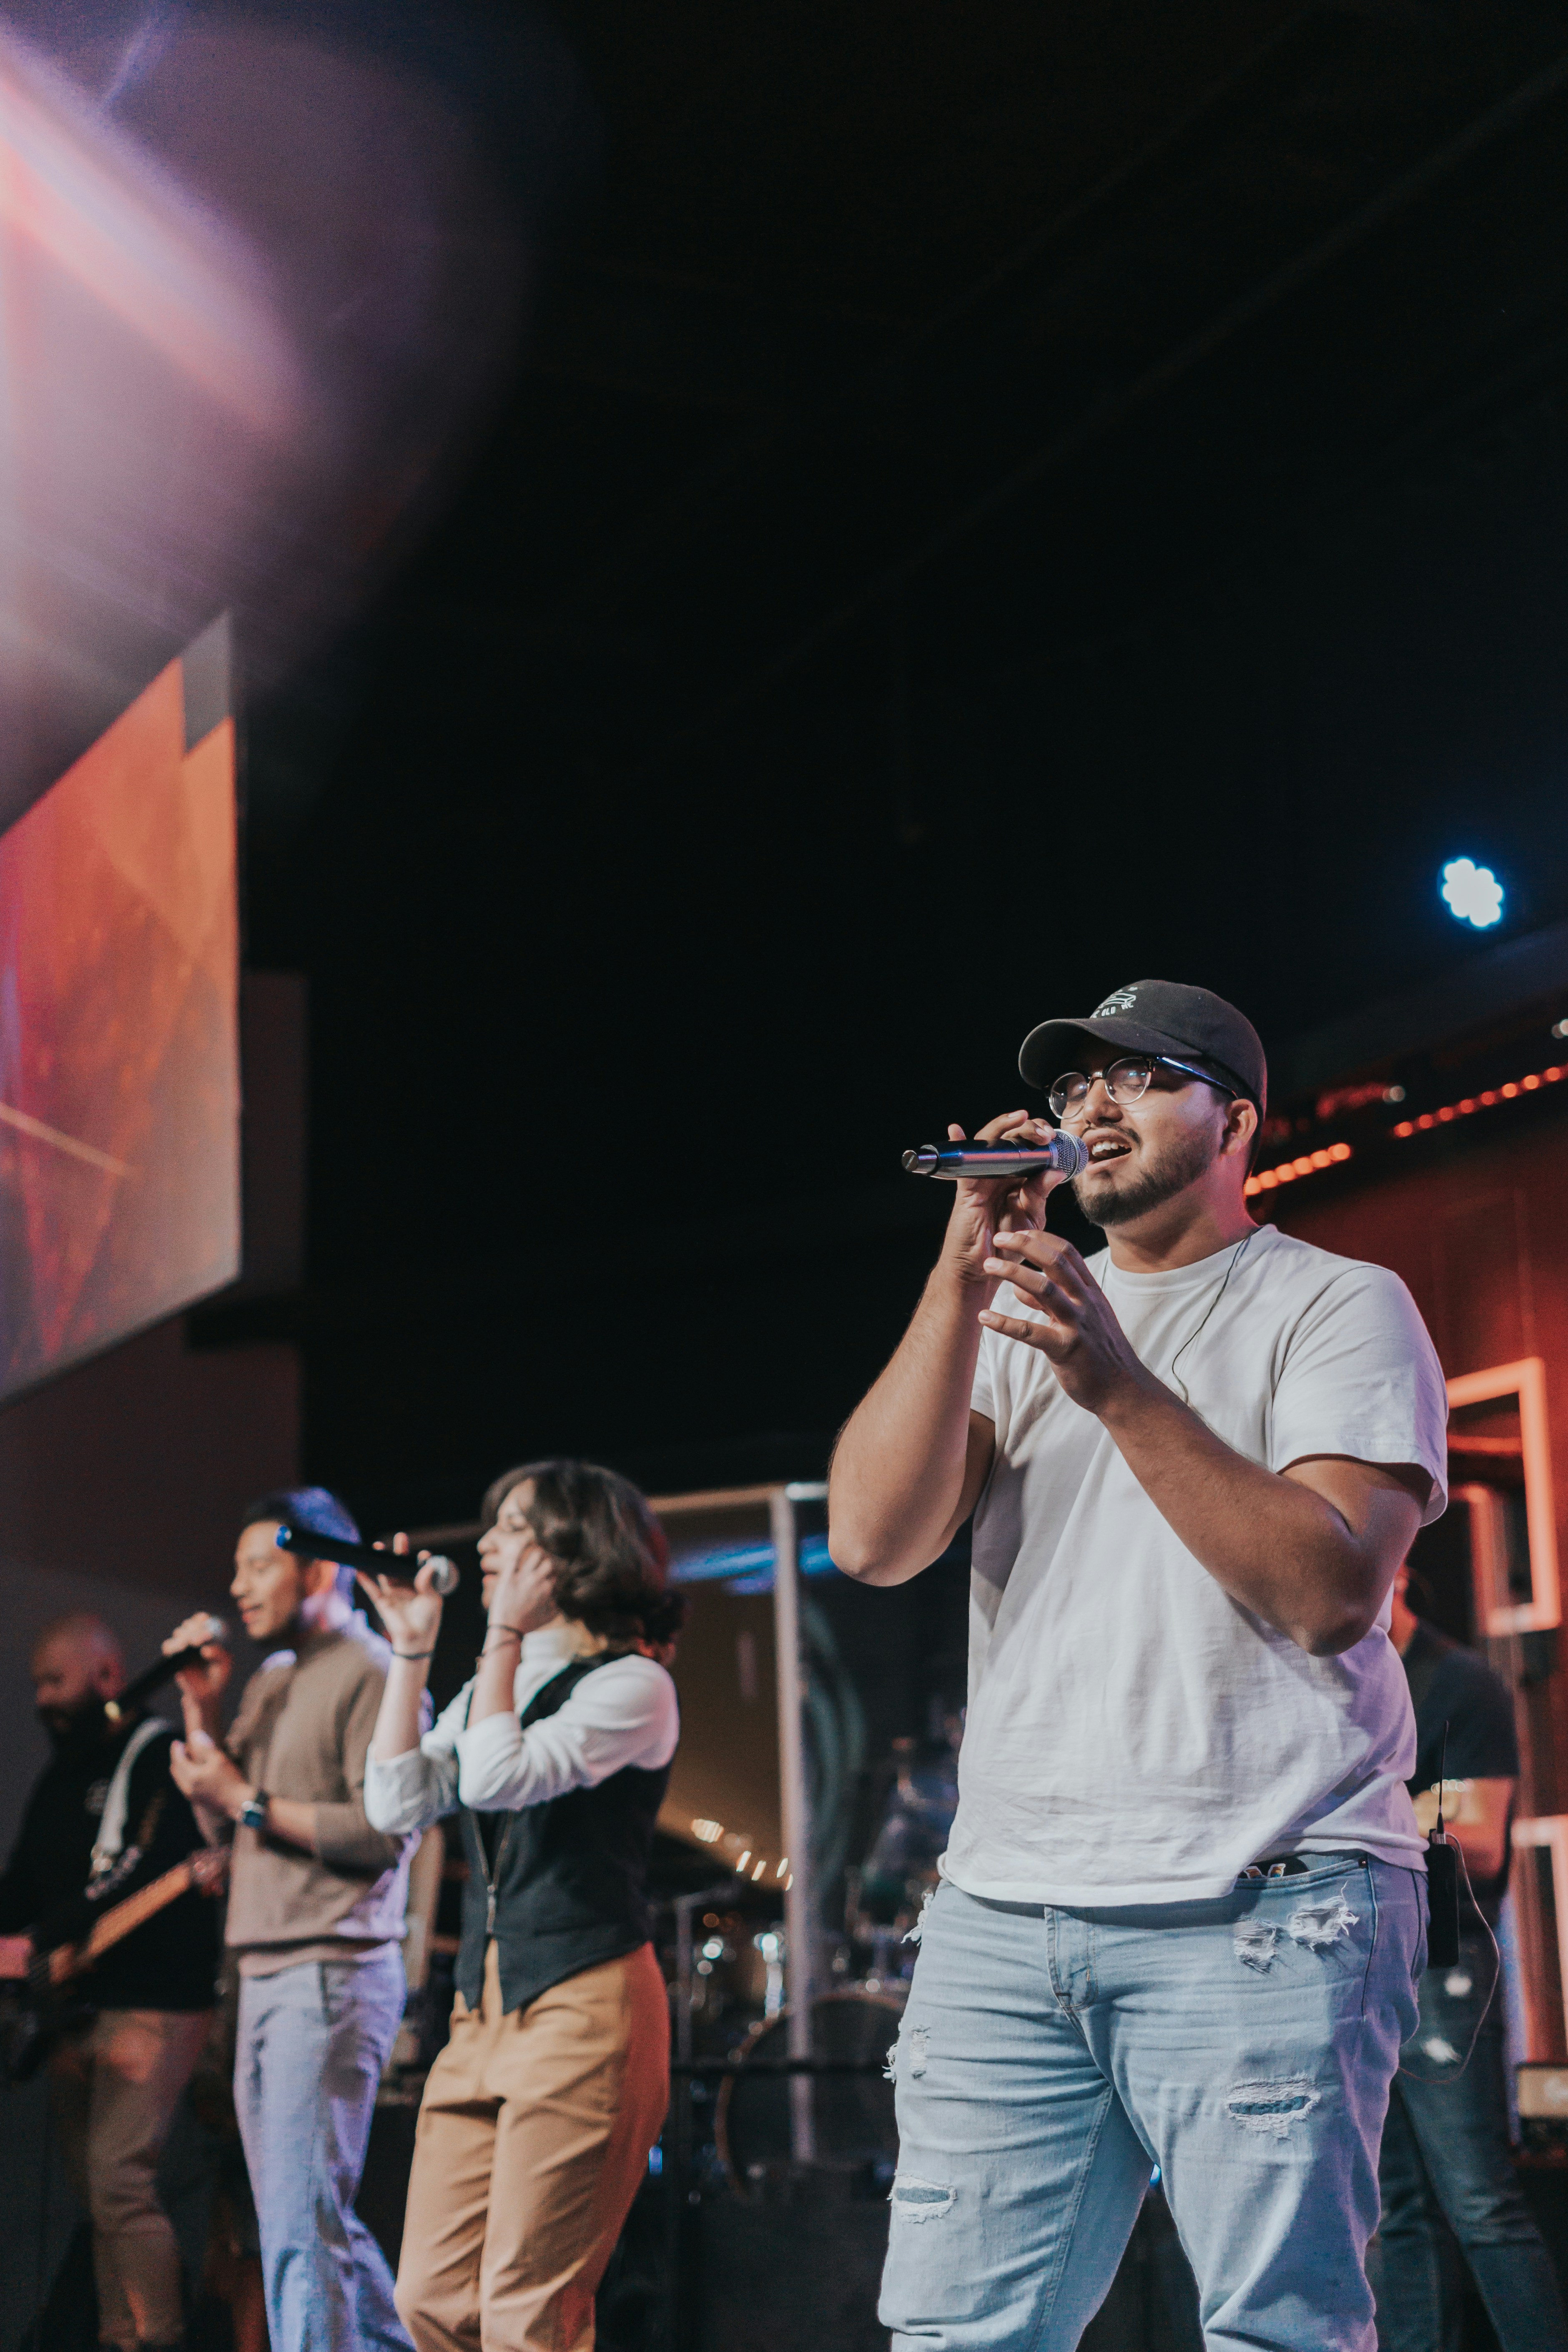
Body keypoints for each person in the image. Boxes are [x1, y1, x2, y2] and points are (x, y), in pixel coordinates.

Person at [829, 977, 1450, 2352]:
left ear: (1236, 1120)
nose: (1089, 1105)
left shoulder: (1338, 1305)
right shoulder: (1012, 1313)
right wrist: (957, 1270)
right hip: (1005, 1911)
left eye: (1138, 1075)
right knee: (950, 2337)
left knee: (1274, 2334)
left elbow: (1331, 1591)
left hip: (1264, 1896)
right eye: (1070, 1087)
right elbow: (872, 1539)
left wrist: (1116, 1384)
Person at [361, 1458, 682, 2352]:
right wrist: (413, 1651)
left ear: (574, 1549)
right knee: (429, 2299)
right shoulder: (489, 1687)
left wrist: (499, 1632)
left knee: (526, 2314)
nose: (489, 1545)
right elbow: (394, 1802)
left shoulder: (634, 1685)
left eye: (514, 1527)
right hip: (482, 2011)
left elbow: (499, 1778)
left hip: (584, 2005)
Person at [166, 1486, 419, 2352]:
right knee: (305, 2220)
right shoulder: (275, 1678)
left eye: (258, 1564)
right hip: (265, 1969)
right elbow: (227, 1823)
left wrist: (244, 1798)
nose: (239, 1585)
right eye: (237, 1567)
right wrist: (202, 1709)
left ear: (321, 1567)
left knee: (301, 2227)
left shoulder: (376, 1669)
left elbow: (383, 1834)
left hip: (330, 1971)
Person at [0, 1612, 220, 2352]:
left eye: (54, 1681)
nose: (42, 1698)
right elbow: (23, 1879)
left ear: (105, 1677)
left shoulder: (155, 1754)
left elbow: (144, 1864)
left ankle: (160, 2337)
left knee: (119, 2180)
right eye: (35, 1684)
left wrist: (36, 1940)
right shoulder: (63, 1774)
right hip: (75, 2007)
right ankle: (117, 2334)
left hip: (153, 1997)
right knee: (101, 2197)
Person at [1371, 1564, 1568, 2351]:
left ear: (1401, 1570)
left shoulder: (1459, 1680)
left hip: (1441, 1967)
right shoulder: (1338, 1680)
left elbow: (1480, 1846)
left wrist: (1376, 1816)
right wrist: (1414, 1810)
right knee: (1393, 2209)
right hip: (1362, 1959)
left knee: (1480, 2201)